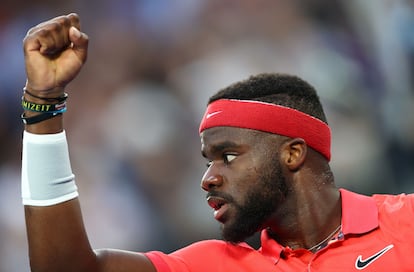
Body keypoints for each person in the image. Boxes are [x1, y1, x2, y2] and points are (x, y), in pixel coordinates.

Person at [21, 13, 414, 272]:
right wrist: (43, 105)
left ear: (293, 153)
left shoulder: (404, 222)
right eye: (208, 160)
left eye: (228, 155)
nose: (208, 178)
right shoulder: (217, 264)